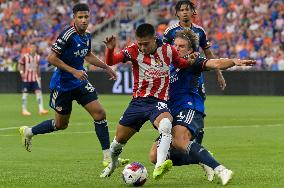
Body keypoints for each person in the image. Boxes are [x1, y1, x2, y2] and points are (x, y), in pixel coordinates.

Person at [18, 3, 128, 167]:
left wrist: (106, 67)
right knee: (61, 125)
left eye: (86, 17)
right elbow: (51, 58)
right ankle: (29, 131)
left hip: (80, 82)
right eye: (80, 17)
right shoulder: (67, 34)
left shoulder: (87, 36)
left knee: (99, 114)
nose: (84, 20)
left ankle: (107, 157)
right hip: (62, 85)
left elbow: (88, 55)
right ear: (74, 18)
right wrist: (73, 71)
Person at [148, 29, 256, 185]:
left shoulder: (193, 62)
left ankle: (222, 170)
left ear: (191, 50)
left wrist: (234, 61)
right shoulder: (170, 64)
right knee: (154, 156)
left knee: (179, 141)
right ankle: (202, 158)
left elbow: (216, 63)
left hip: (189, 109)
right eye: (175, 45)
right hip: (172, 113)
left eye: (182, 46)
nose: (177, 49)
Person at [100, 23, 195, 180]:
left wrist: (190, 62)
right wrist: (110, 49)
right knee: (118, 142)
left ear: (154, 39)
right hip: (138, 103)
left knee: (165, 125)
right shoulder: (133, 50)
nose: (142, 48)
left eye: (145, 44)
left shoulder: (168, 50)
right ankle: (114, 163)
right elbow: (111, 61)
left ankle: (159, 165)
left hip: (158, 102)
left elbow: (180, 63)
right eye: (140, 44)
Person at [163, 0, 226, 143]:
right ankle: (177, 135)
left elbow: (208, 53)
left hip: (195, 74)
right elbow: (163, 53)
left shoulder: (200, 31)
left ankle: (197, 133)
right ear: (177, 13)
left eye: (187, 9)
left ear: (193, 12)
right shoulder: (170, 31)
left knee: (199, 100)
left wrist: (219, 73)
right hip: (176, 74)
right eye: (182, 10)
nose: (185, 12)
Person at [18, 43, 49, 116]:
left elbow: (37, 67)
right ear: (29, 48)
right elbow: (20, 65)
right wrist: (22, 72)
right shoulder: (25, 57)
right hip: (26, 79)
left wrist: (39, 76)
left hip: (34, 78)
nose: (33, 49)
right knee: (25, 94)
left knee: (38, 92)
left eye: (34, 47)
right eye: (31, 47)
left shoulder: (38, 57)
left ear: (36, 48)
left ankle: (41, 109)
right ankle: (24, 110)